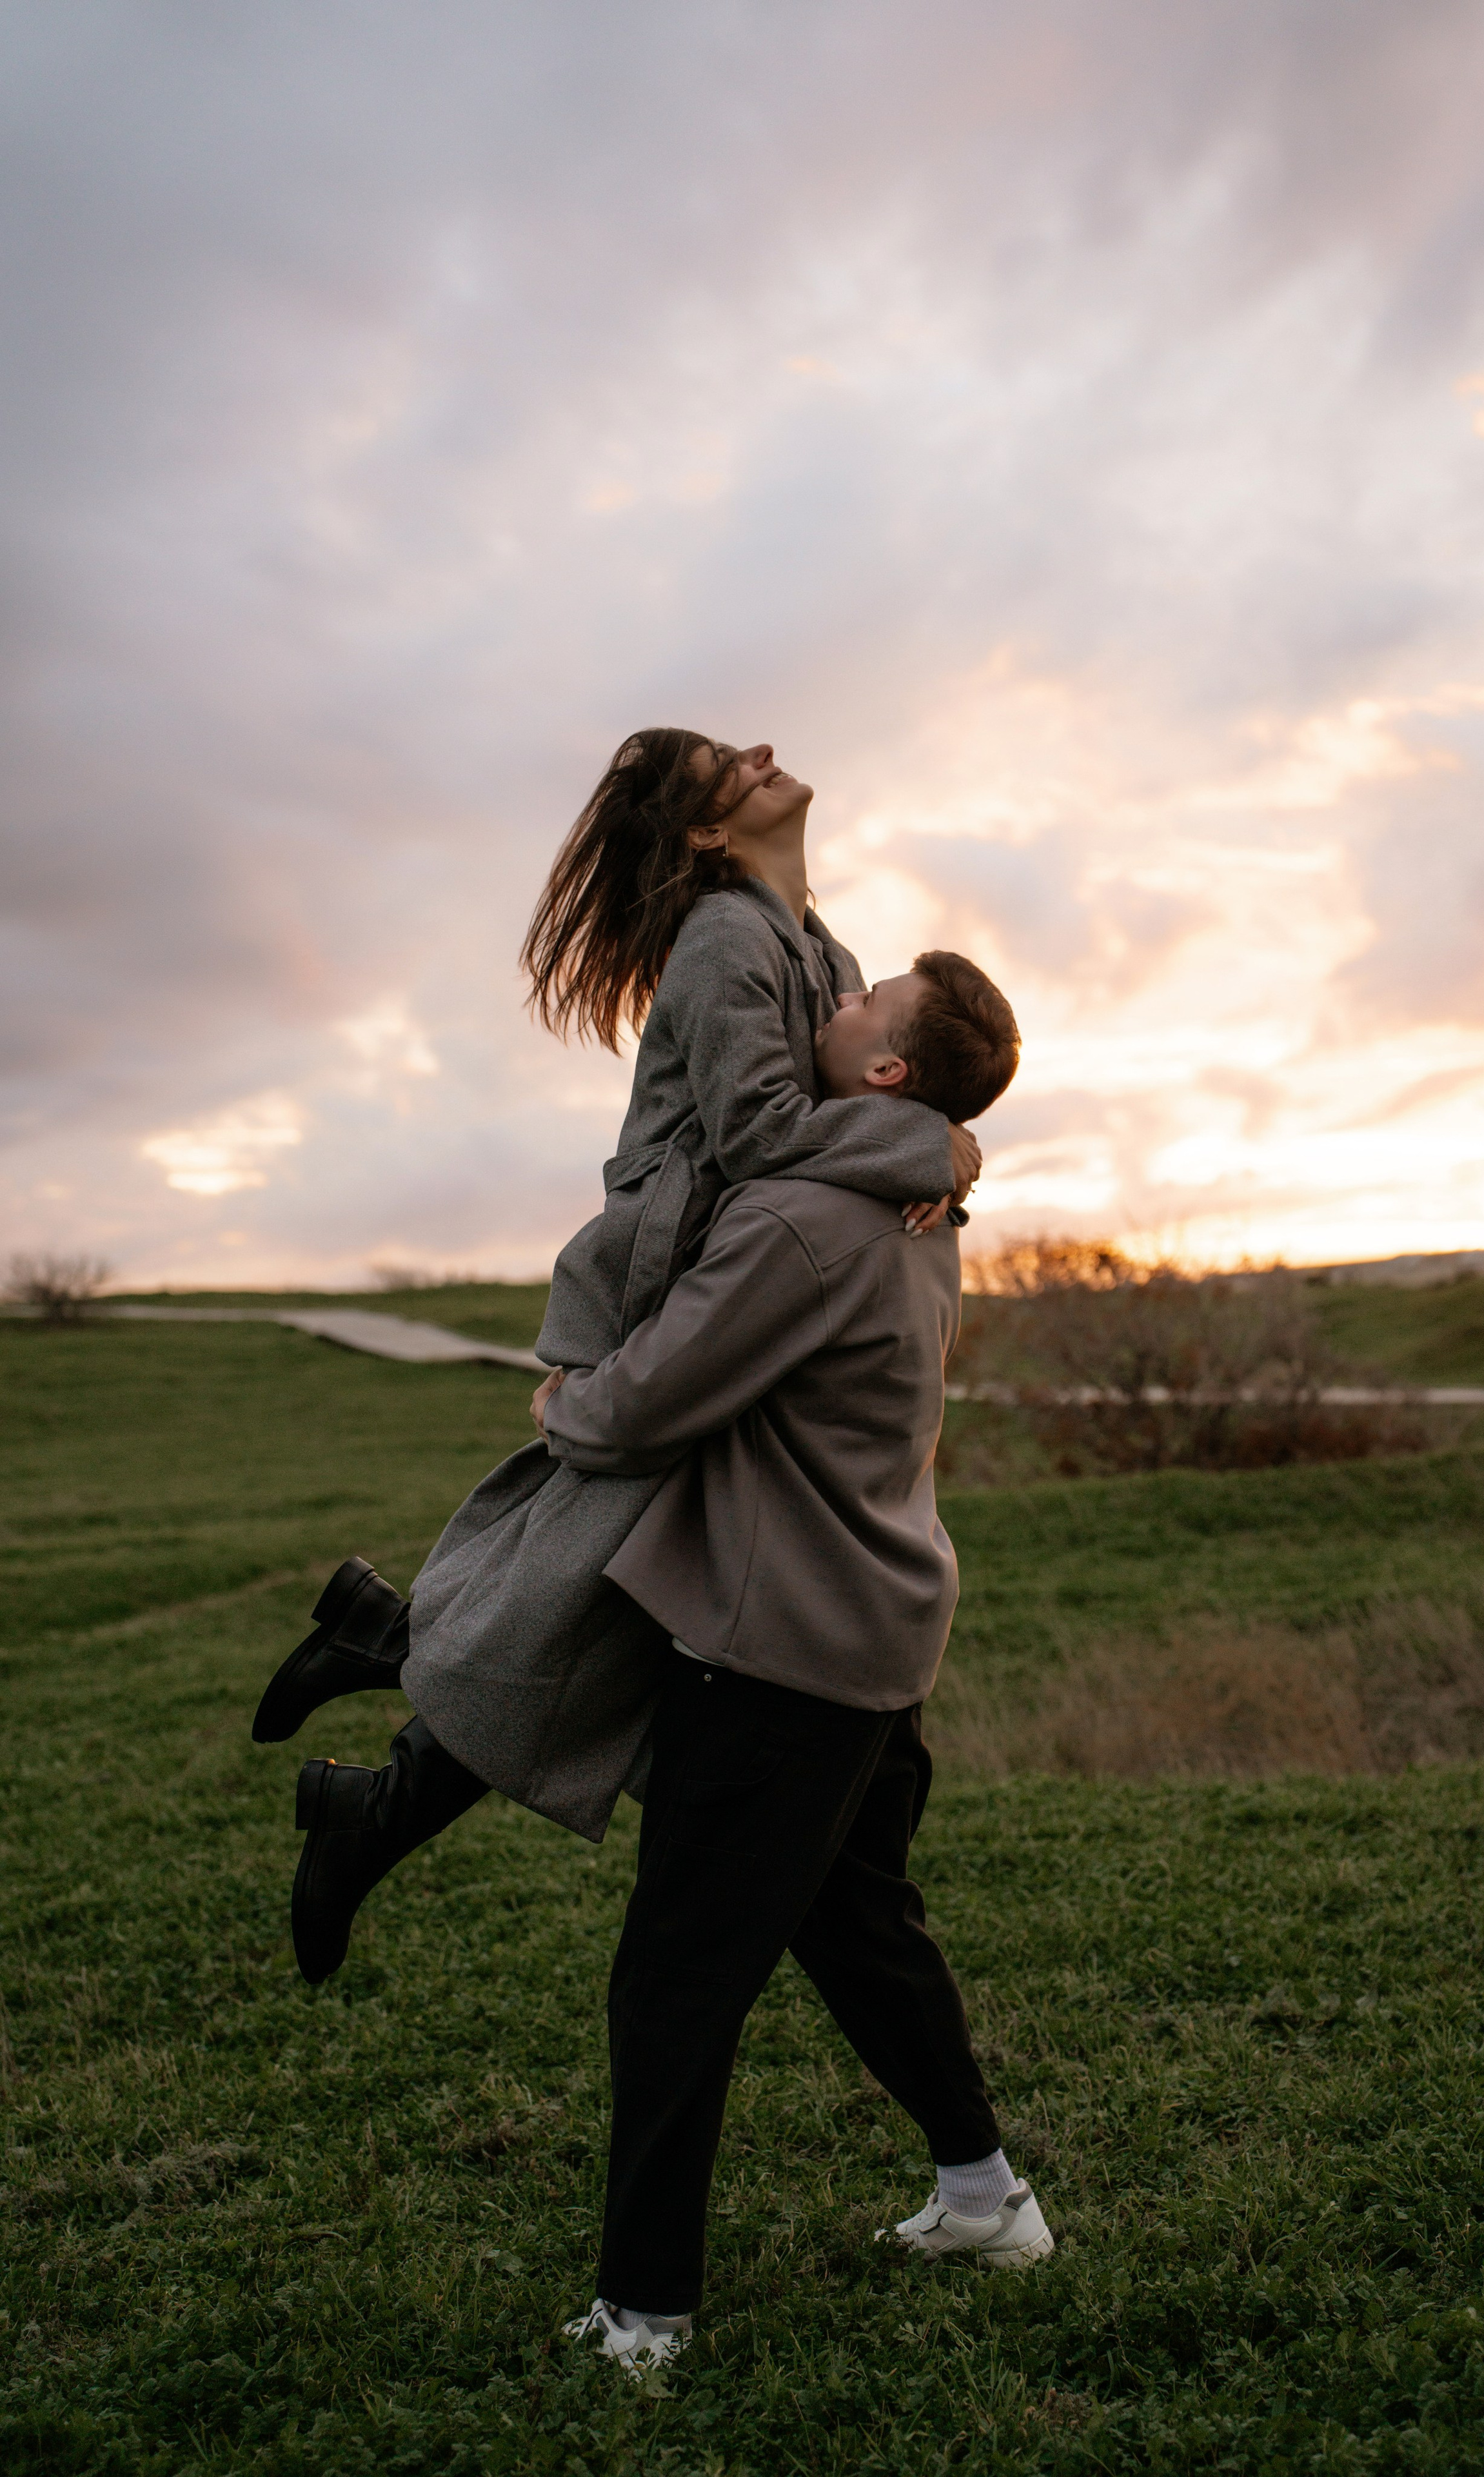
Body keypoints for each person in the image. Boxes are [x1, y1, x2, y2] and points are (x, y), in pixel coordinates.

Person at [255, 731, 980, 1965]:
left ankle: (380, 1684)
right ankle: (379, 1709)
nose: (761, 750)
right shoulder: (725, 941)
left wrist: (938, 1145)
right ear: (707, 835)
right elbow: (761, 1132)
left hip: (746, 1293)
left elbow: (862, 1104)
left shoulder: (830, 950)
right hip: (676, 1289)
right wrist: (932, 1149)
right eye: (727, 770)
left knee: (599, 1587)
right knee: (586, 1580)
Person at [533, 948, 1049, 2370]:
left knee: (674, 1977)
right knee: (857, 1925)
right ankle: (982, 2200)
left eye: (859, 1006)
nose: (829, 1004)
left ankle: (643, 2314)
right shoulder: (919, 1193)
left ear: (883, 1075)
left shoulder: (811, 1223)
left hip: (781, 1649)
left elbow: (649, 1401)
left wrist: (567, 1398)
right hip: (876, 1622)